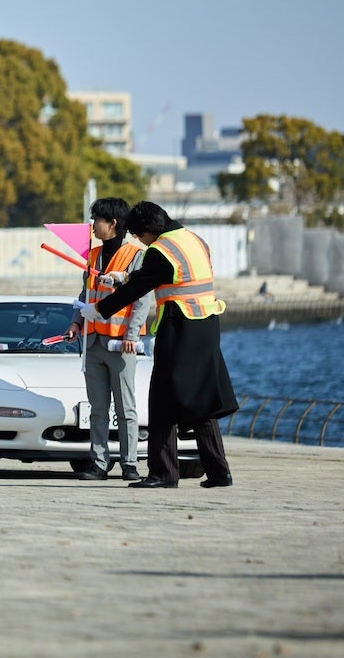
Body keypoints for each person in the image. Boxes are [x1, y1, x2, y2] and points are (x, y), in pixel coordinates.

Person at [88, 201, 238, 490]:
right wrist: (125, 278)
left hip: (180, 325)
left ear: (147, 230)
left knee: (162, 399)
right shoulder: (193, 239)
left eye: (137, 235)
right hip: (207, 323)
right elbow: (157, 275)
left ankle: (163, 473)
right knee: (201, 401)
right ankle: (220, 472)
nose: (138, 241)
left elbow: (141, 286)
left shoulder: (161, 249)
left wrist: (100, 309)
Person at [65, 197, 149, 482]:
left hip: (120, 343)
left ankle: (129, 464)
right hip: (92, 343)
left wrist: (132, 333)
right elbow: (84, 295)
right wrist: (76, 323)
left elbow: (142, 299)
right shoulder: (92, 256)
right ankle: (99, 463)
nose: (92, 226)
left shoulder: (136, 255)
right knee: (97, 410)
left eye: (96, 221)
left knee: (126, 408)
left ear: (112, 223)